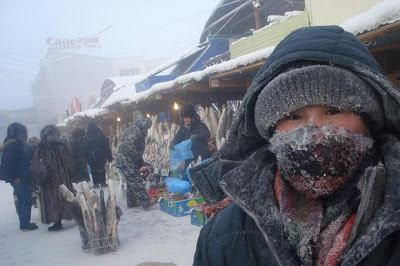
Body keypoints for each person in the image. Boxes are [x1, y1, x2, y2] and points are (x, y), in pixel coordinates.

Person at [192, 26, 400, 266]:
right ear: (271, 131)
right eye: (293, 117)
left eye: (333, 111)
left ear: (369, 122)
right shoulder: (223, 237)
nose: (314, 132)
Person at [32, 125, 74, 231]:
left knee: (52, 200)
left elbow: (35, 165)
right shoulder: (61, 146)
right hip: (62, 177)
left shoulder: (40, 148)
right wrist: (70, 174)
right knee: (64, 195)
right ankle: (73, 214)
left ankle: (57, 222)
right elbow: (70, 163)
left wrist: (39, 177)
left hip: (48, 180)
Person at [0, 123, 38, 231]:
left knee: (22, 199)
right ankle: (25, 223)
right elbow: (9, 163)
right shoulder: (15, 145)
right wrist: (15, 176)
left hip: (18, 177)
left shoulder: (12, 144)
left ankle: (23, 221)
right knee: (27, 200)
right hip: (19, 177)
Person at [115, 117, 155, 209]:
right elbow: (129, 146)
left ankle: (132, 202)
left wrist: (139, 160)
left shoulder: (138, 130)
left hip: (129, 160)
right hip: (126, 161)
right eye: (147, 127)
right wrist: (138, 158)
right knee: (136, 180)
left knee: (131, 181)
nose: (147, 129)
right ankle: (145, 202)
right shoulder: (135, 130)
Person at [85, 123, 113, 187]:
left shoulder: (87, 137)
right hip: (101, 154)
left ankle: (96, 183)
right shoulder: (101, 135)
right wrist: (109, 157)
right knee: (102, 168)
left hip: (91, 155)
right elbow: (106, 146)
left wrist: (86, 158)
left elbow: (85, 148)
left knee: (93, 169)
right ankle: (102, 182)